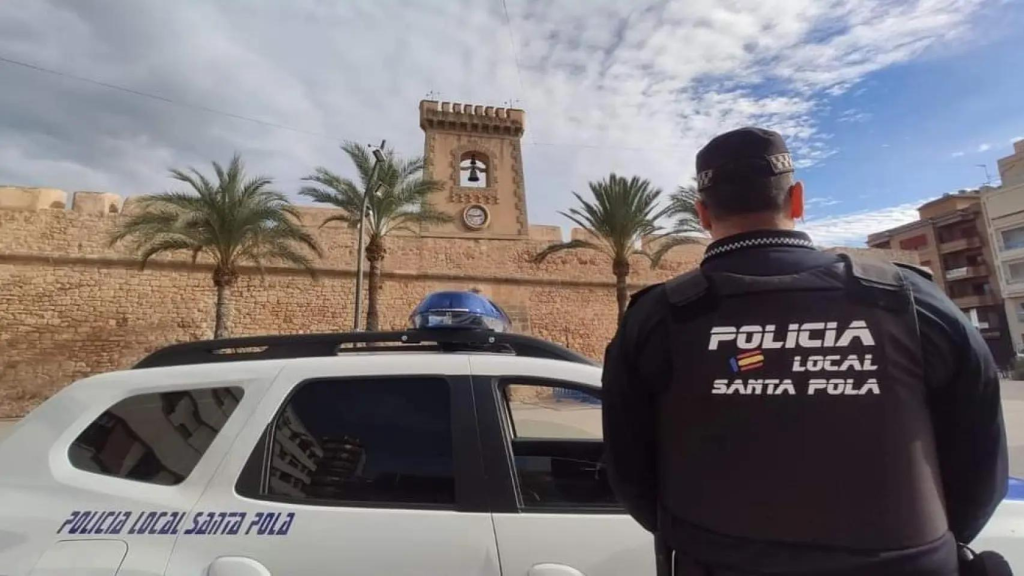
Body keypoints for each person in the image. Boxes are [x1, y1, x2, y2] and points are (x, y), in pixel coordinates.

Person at [602, 127, 1009, 576]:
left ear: (701, 213)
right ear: (796, 199)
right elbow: (980, 467)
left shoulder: (656, 319)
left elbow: (632, 476)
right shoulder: (911, 302)